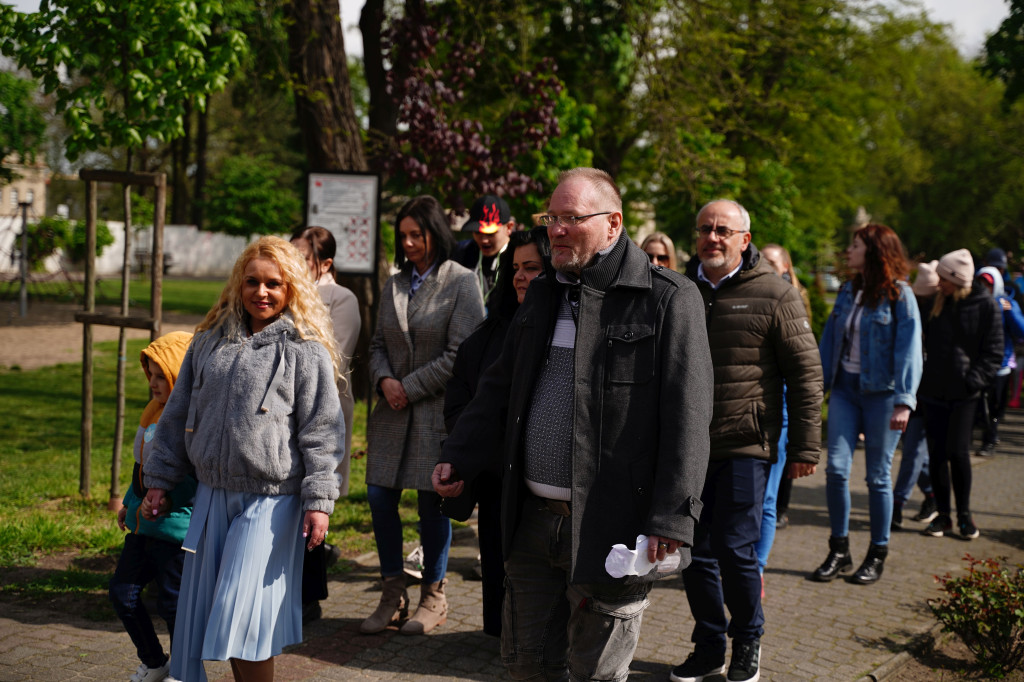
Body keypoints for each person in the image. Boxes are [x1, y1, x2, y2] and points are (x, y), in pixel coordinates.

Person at [434, 167, 713, 681]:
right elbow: (497, 390)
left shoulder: (668, 299)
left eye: (572, 219)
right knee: (527, 668)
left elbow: (689, 421)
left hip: (612, 528)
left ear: (613, 223)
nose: (556, 230)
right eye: (552, 218)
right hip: (531, 525)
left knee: (596, 675)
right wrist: (459, 455)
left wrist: (672, 519)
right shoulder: (542, 294)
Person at [143, 236, 345, 682]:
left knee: (244, 617)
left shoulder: (305, 351)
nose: (262, 292)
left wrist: (319, 502)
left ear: (291, 287)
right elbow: (176, 418)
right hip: (213, 493)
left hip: (272, 501)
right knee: (199, 616)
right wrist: (157, 480)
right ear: (239, 283)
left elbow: (322, 432)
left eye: (273, 283)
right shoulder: (208, 343)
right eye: (252, 281)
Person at [675, 199, 823, 682]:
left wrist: (804, 448)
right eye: (704, 229)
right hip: (687, 447)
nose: (712, 238)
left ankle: (748, 642)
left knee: (737, 551)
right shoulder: (678, 290)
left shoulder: (776, 293)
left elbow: (805, 375)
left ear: (744, 238)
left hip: (745, 444)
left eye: (723, 230)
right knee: (692, 554)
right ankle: (710, 643)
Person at [361, 195, 485, 636]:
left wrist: (407, 388)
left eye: (418, 234)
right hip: (390, 414)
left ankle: (434, 594)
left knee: (432, 505)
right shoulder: (394, 283)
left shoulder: (462, 282)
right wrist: (383, 382)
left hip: (435, 413)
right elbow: (376, 345)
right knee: (379, 498)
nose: (410, 243)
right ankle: (392, 590)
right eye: (404, 236)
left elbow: (461, 354)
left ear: (437, 233)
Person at [443, 228, 555, 638]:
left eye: (533, 268)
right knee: (499, 569)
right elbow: (461, 405)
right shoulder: (484, 339)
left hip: (549, 486)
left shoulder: (568, 332)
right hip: (495, 479)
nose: (522, 277)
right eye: (516, 269)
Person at [813, 224, 922, 587]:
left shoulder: (900, 295)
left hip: (883, 396)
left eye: (855, 245)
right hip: (845, 392)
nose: (849, 250)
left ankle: (878, 552)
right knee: (836, 470)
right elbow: (829, 342)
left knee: (877, 477)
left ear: (874, 251)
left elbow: (910, 352)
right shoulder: (848, 290)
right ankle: (839, 549)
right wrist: (818, 389)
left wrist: (904, 402)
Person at [109, 331, 195, 682]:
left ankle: (185, 668)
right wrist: (130, 504)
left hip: (173, 534)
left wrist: (166, 500)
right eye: (152, 375)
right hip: (143, 529)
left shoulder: (190, 421)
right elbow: (141, 470)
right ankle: (155, 661)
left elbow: (192, 479)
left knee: (172, 605)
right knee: (122, 594)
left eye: (163, 376)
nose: (154, 383)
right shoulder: (153, 414)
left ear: (181, 375)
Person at [290, 226, 362, 624]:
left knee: (312, 500)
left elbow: (333, 356)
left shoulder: (340, 298)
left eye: (303, 257)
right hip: (283, 415)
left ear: (325, 263)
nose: (295, 263)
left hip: (322, 410)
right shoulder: (285, 290)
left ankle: (309, 596)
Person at [918, 248, 1002, 539]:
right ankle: (943, 515)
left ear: (957, 279)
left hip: (964, 395)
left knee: (958, 453)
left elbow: (994, 353)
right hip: (932, 392)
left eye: (943, 277)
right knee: (937, 454)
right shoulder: (936, 303)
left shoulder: (985, 305)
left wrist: (972, 381)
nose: (939, 282)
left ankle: (965, 515)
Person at [751, 243, 809, 577]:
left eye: (773, 263)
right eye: (763, 262)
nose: (767, 268)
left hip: (780, 414)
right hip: (748, 413)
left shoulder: (792, 301)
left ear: (786, 268)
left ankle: (757, 569)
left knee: (768, 500)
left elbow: (803, 371)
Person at [891, 261, 940, 531]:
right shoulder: (910, 307)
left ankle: (897, 504)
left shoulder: (941, 313)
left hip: (928, 392)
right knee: (915, 452)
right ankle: (932, 495)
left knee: (913, 451)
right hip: (911, 389)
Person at [974, 265, 1024, 457]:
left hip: (1001, 365)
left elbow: (1021, 331)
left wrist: (1010, 311)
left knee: (994, 407)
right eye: (980, 283)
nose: (983, 287)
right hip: (977, 364)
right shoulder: (973, 303)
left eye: (988, 284)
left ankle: (989, 440)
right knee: (979, 404)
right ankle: (978, 437)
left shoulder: (1007, 303)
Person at [453, 194, 516, 303]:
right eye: (477, 232)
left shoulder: (519, 258)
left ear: (509, 227)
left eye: (490, 233)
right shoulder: (462, 253)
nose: (484, 240)